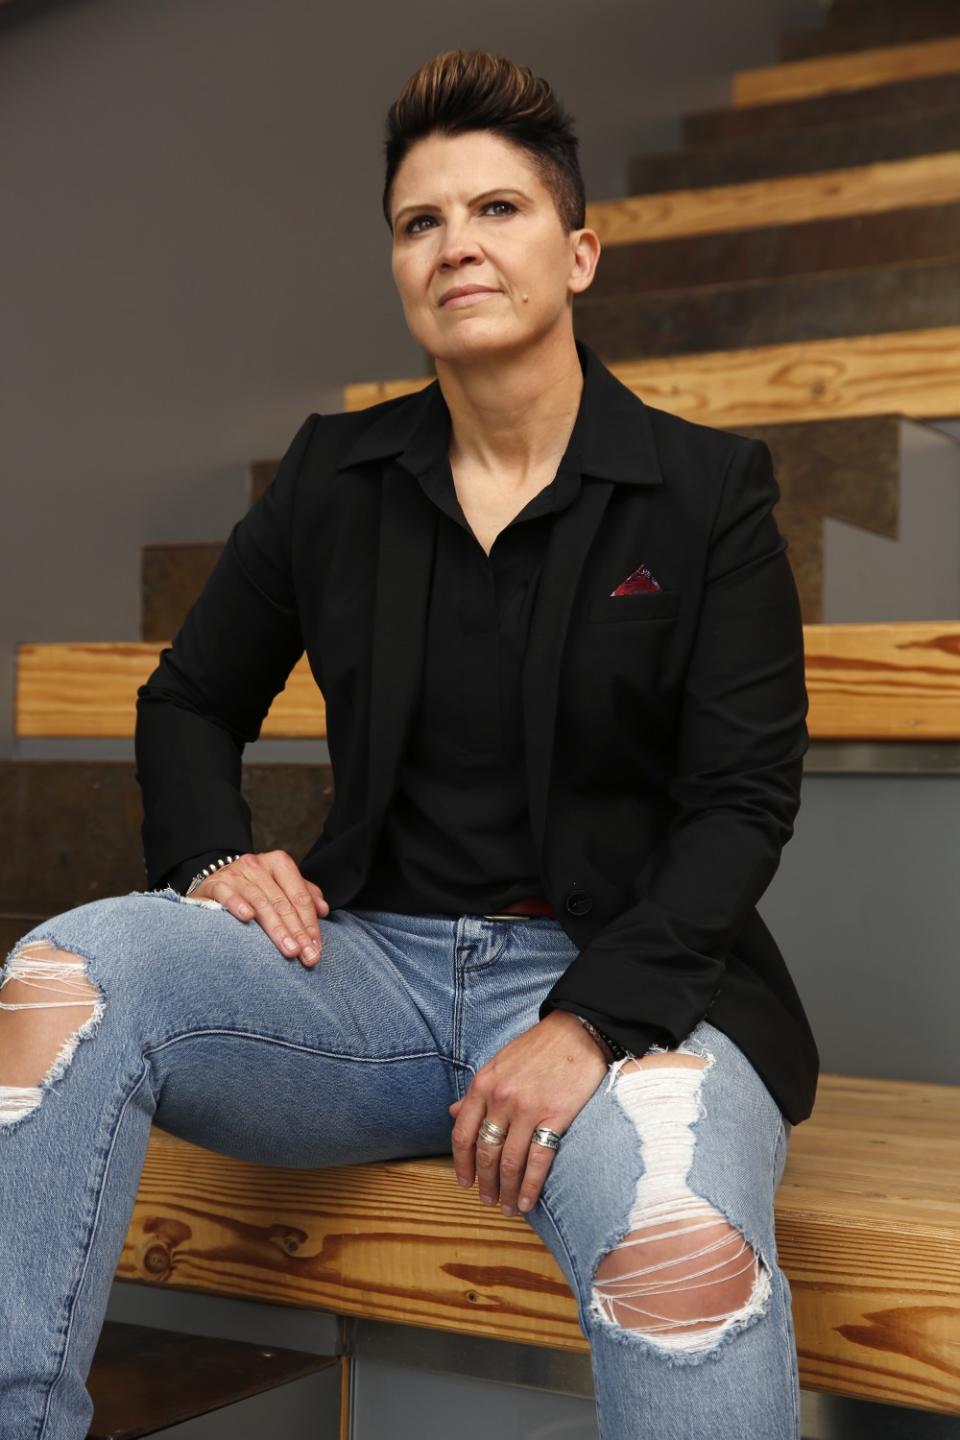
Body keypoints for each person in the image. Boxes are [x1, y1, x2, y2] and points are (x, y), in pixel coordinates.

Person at [0, 47, 818, 1440]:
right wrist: (209, 850)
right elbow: (185, 699)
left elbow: (740, 803)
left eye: (497, 210)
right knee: (57, 980)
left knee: (680, 1247)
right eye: (419, 222)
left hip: (617, 988)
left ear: (581, 251)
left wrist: (589, 1023)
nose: (456, 246)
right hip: (360, 980)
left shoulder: (706, 491)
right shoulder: (338, 474)